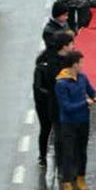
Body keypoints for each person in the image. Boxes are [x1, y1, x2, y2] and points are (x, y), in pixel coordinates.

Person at [55, 50, 96, 190]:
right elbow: (66, 107)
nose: (83, 65)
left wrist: (95, 95)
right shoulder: (61, 83)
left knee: (81, 151)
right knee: (68, 153)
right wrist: (85, 103)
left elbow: (91, 90)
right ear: (74, 64)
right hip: (68, 123)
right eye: (81, 62)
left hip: (83, 121)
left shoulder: (82, 78)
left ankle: (81, 178)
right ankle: (67, 184)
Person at [33, 29, 74, 168]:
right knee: (48, 129)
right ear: (63, 46)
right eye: (71, 43)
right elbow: (41, 86)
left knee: (61, 133)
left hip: (57, 102)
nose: (73, 46)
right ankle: (43, 157)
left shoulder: (67, 60)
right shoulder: (48, 64)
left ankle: (61, 162)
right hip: (48, 103)